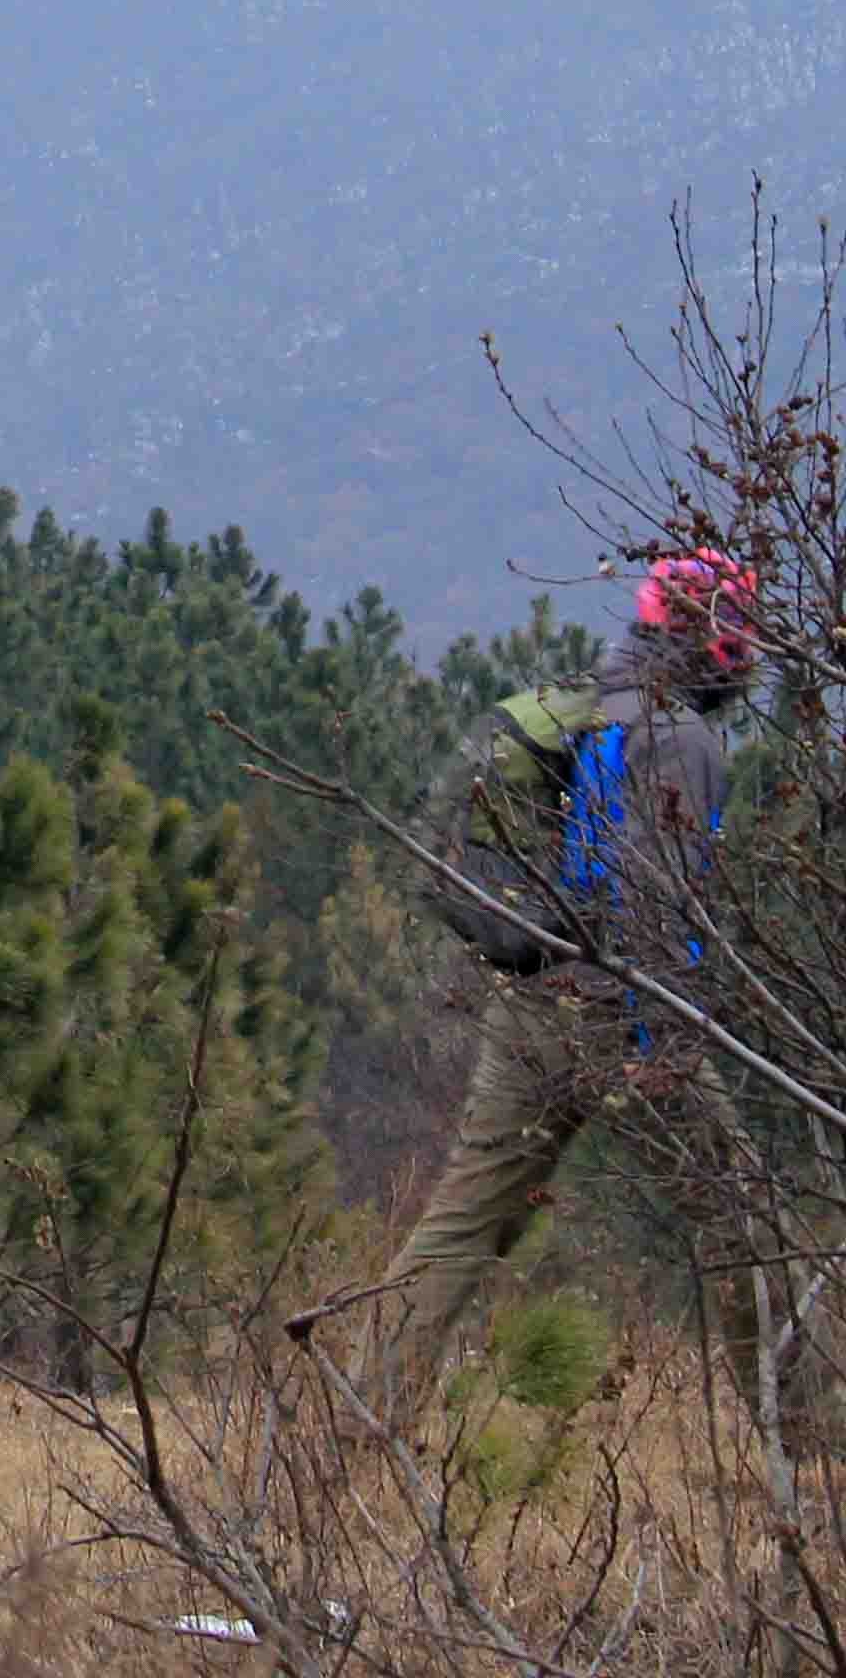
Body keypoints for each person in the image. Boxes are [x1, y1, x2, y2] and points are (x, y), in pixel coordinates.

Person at [323, 547, 761, 1408]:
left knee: (467, 1219)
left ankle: (353, 1422)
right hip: (623, 1008)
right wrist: (663, 1037)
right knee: (747, 1217)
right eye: (743, 633)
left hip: (534, 1007)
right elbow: (653, 891)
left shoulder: (591, 706)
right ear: (718, 640)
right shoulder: (677, 734)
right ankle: (816, 1445)